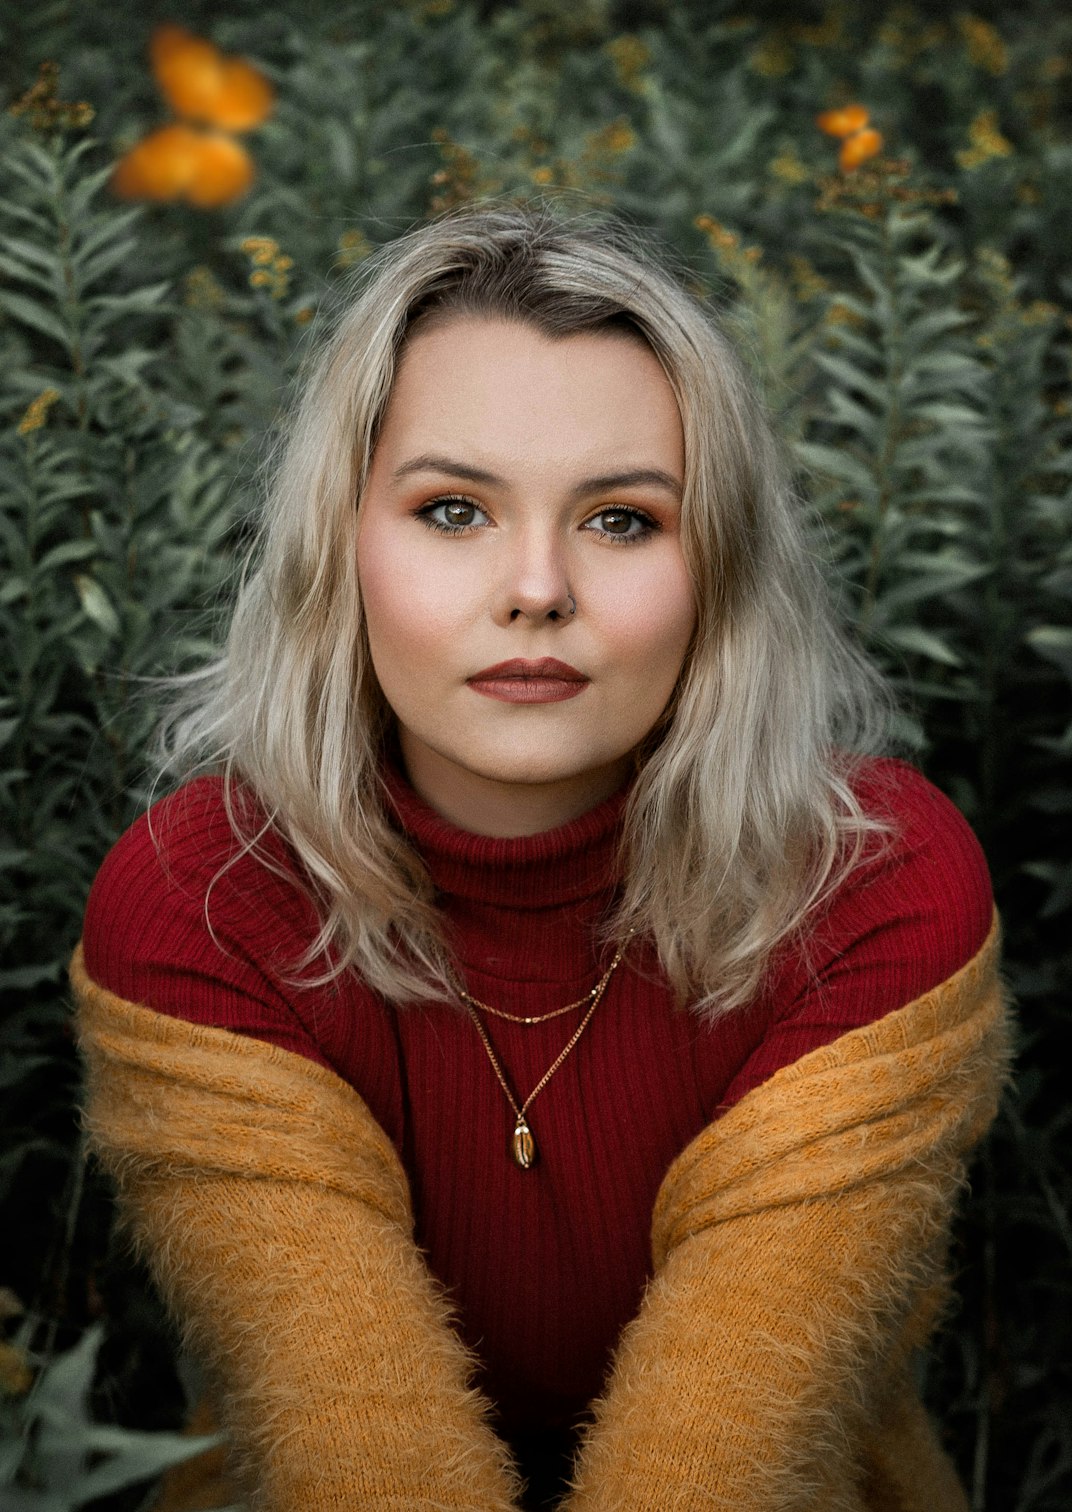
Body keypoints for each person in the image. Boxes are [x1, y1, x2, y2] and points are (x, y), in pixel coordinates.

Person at [73, 204, 1009, 1512]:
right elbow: (353, 1458)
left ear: (721, 569)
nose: (535, 589)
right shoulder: (201, 905)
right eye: (452, 509)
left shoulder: (874, 888)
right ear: (338, 549)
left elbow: (726, 1470)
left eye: (622, 520)